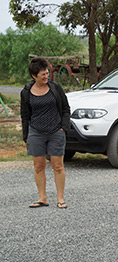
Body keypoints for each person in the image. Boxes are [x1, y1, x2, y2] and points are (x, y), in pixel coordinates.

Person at [21, 57, 70, 209]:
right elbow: (25, 115)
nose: (46, 76)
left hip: (56, 131)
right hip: (36, 132)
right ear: (34, 76)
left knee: (58, 166)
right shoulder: (26, 92)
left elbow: (66, 109)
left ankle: (60, 198)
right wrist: (26, 135)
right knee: (38, 166)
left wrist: (64, 128)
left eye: (47, 73)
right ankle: (42, 198)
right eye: (42, 74)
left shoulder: (55, 88)